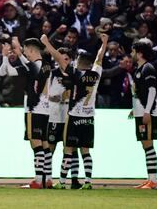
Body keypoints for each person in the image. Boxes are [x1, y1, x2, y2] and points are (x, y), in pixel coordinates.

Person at [41, 33, 109, 190]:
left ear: (79, 62)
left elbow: (59, 58)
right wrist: (104, 43)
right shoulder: (96, 73)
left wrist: (47, 43)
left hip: (73, 117)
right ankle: (88, 182)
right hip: (89, 117)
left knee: (68, 150)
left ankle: (62, 182)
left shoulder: (75, 73)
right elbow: (99, 58)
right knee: (85, 151)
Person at [8, 37, 53, 189]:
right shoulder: (48, 65)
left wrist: (17, 49)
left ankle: (38, 181)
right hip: (46, 110)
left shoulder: (36, 65)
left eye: (26, 50)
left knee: (36, 145)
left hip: (34, 110)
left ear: (32, 50)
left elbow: (28, 65)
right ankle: (48, 178)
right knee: (45, 145)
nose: (25, 53)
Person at [47, 47, 82, 189]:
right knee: (50, 148)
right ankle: (47, 178)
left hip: (70, 117)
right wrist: (59, 97)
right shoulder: (52, 74)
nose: (64, 61)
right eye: (61, 58)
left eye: (66, 58)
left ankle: (74, 179)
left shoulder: (75, 74)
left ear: (71, 60)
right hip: (54, 116)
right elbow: (46, 94)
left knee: (72, 149)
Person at [130, 41, 157, 189]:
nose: (131, 54)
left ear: (139, 53)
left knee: (148, 145)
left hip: (148, 112)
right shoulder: (139, 69)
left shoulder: (148, 68)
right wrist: (134, 109)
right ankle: (150, 179)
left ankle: (153, 181)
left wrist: (147, 111)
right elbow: (140, 93)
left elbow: (152, 90)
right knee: (146, 145)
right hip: (141, 111)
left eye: (133, 51)